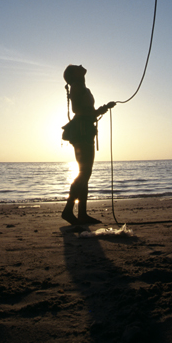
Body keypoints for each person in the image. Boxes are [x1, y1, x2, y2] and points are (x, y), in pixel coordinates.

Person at [61, 64, 115, 225]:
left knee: (86, 173)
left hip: (85, 130)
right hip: (82, 131)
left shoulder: (81, 87)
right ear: (75, 74)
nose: (81, 66)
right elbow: (78, 109)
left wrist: (102, 109)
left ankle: (82, 214)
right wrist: (100, 109)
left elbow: (87, 110)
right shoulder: (77, 87)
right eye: (77, 67)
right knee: (85, 173)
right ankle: (69, 210)